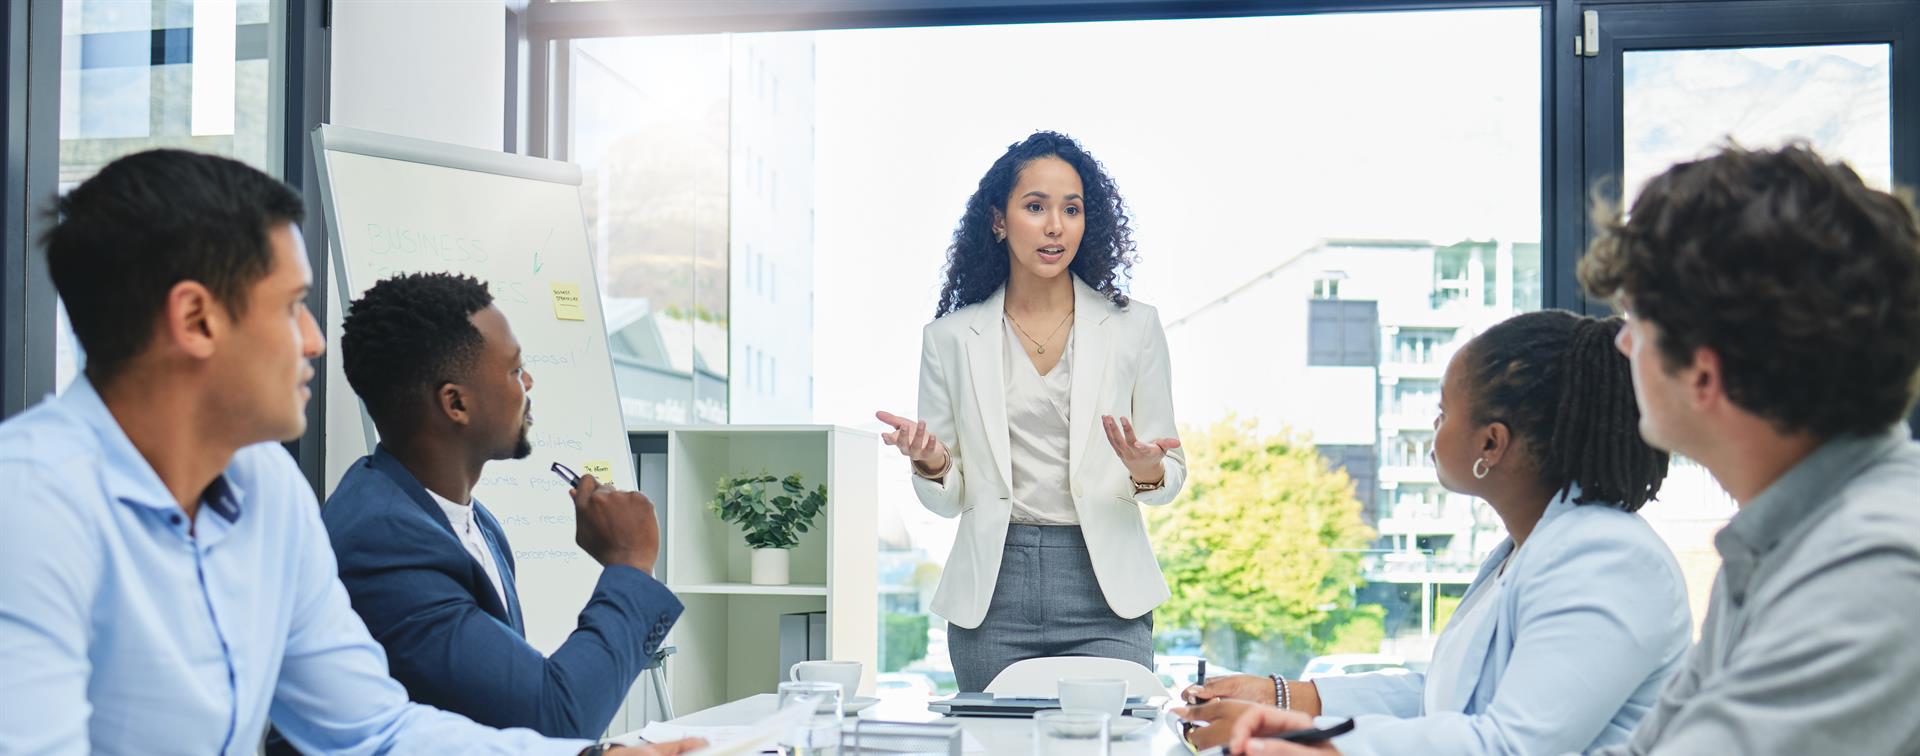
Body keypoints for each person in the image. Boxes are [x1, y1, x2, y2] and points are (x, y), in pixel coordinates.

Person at [0, 149, 698, 755]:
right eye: (290, 306)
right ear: (195, 319)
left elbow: (371, 729)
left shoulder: (265, 488)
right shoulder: (29, 508)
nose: (313, 340)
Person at [1178, 310, 1690, 755]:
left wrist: (1319, 744)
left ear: (1491, 444)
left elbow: (1510, 747)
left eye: (1444, 411)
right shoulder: (1531, 547)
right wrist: (1287, 697)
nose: (1433, 426)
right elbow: (1446, 699)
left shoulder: (1606, 558)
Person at [874, 131, 1187, 692]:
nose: (1055, 226)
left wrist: (1146, 468)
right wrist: (931, 463)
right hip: (993, 596)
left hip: (1105, 594)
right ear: (999, 221)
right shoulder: (949, 338)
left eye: (1071, 209)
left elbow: (1169, 476)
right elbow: (946, 501)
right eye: (1036, 206)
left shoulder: (1134, 327)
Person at [320, 272, 681, 737]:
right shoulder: (384, 543)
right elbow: (554, 719)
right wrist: (629, 564)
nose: (528, 381)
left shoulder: (475, 523)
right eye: (514, 370)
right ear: (456, 404)